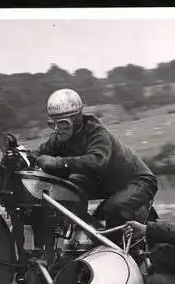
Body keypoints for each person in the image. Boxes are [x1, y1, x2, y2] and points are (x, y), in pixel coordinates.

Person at [35, 88, 158, 227]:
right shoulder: (59, 136)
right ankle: (81, 233)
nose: (57, 129)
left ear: (77, 120)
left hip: (139, 181)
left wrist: (59, 162)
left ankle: (113, 244)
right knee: (67, 191)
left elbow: (97, 161)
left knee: (110, 211)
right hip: (106, 183)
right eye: (52, 124)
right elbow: (39, 153)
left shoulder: (97, 133)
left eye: (63, 123)